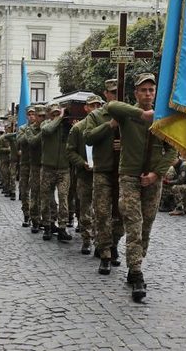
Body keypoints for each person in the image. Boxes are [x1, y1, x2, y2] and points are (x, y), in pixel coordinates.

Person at [107, 73, 177, 301]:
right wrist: (141, 114)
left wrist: (157, 173)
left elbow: (173, 150)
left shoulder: (163, 118)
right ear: (136, 93)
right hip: (129, 177)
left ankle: (133, 262)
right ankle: (136, 272)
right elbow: (111, 105)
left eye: (151, 90)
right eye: (143, 90)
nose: (148, 94)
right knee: (134, 224)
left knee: (146, 225)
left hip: (152, 180)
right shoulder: (129, 115)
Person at [84, 87, 125, 275]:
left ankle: (114, 243)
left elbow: (140, 139)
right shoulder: (96, 115)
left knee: (122, 212)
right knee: (101, 212)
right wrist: (109, 125)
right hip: (102, 170)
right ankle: (106, 253)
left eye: (118, 92)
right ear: (106, 94)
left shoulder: (129, 113)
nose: (115, 95)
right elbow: (89, 137)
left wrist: (123, 143)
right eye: (112, 92)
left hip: (123, 171)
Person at [66, 96, 101, 254]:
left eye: (98, 105)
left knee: (102, 209)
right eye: (92, 105)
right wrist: (82, 163)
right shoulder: (78, 128)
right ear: (86, 108)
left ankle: (101, 241)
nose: (95, 107)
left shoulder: (107, 126)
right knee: (85, 207)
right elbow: (70, 151)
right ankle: (87, 239)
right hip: (84, 174)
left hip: (102, 174)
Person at [39, 104, 73, 242]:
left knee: (63, 198)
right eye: (53, 114)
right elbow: (47, 130)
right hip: (48, 168)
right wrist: (58, 118)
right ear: (49, 115)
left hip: (64, 169)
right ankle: (48, 225)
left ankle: (63, 227)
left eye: (58, 113)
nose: (56, 116)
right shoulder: (46, 124)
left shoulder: (67, 126)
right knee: (47, 199)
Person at [17, 107, 36, 227]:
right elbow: (20, 140)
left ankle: (36, 216)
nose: (32, 116)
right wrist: (29, 130)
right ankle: (26, 215)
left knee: (36, 191)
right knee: (24, 190)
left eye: (34, 114)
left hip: (36, 163)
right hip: (25, 163)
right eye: (29, 114)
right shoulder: (23, 128)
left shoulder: (41, 127)